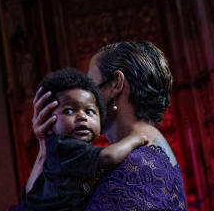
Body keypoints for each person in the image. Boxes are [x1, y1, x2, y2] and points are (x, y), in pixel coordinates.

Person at [32, 41, 186, 210]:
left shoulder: (134, 164)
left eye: (90, 84)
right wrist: (45, 151)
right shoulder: (147, 148)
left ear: (115, 83)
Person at [24, 68, 147, 210]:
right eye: (69, 111)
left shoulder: (55, 148)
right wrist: (135, 138)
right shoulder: (65, 145)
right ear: (49, 121)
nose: (82, 116)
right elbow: (109, 156)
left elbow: (31, 193)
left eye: (89, 111)